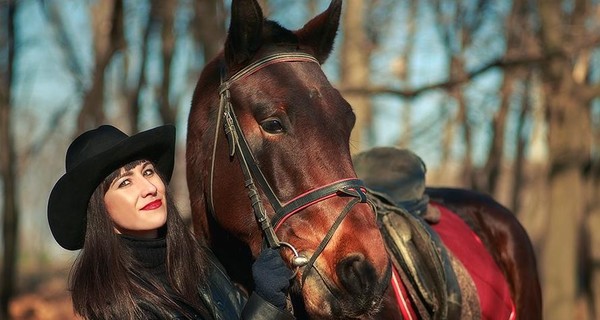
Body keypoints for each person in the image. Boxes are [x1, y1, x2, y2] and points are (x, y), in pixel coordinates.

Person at [47, 124, 294, 320]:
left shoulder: (199, 261)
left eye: (147, 172)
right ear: (100, 210)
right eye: (124, 183)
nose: (149, 188)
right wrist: (266, 304)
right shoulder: (116, 305)